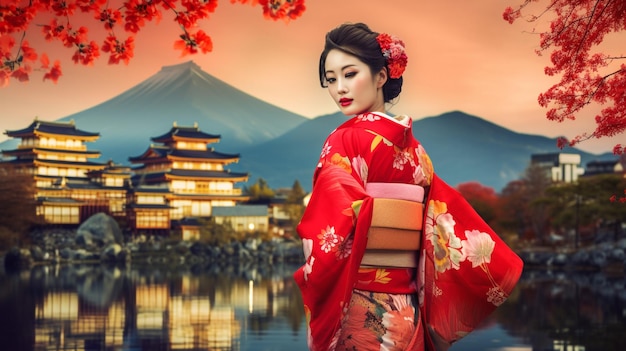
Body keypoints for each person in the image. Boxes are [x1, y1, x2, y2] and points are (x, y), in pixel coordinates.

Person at [293, 22, 524, 351]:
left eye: (349, 74)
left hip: (360, 312)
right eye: (331, 79)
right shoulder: (417, 152)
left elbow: (325, 233)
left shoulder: (344, 140)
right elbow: (440, 229)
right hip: (407, 313)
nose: (340, 88)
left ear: (381, 77)